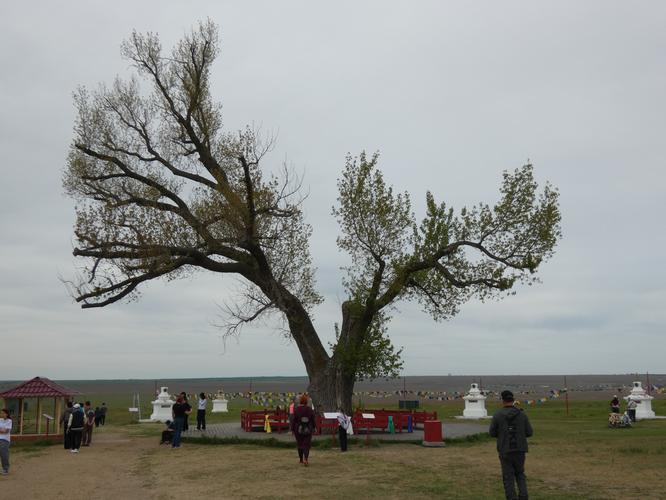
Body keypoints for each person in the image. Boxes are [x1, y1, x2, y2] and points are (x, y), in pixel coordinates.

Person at [489, 390, 533, 500]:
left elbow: (492, 433)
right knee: (520, 474)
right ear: (513, 400)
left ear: (502, 400)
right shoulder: (522, 414)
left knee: (508, 477)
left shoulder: (497, 415)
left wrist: (502, 434)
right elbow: (529, 432)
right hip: (520, 449)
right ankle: (524, 496)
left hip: (505, 449)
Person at [291, 394, 316, 466]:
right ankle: (306, 459)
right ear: (306, 402)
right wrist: (314, 427)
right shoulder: (310, 409)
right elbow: (313, 420)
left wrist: (292, 429)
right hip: (308, 428)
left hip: (298, 429)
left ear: (300, 401)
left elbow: (294, 420)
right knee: (306, 445)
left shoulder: (297, 409)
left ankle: (301, 460)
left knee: (300, 444)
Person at [0, 408, 11, 475]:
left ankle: (5, 469)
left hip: (5, 440)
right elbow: (3, 430)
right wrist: (2, 429)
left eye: (3, 413)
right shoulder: (0, 420)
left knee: (4, 454)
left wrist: (3, 430)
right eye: (1, 413)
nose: (1, 414)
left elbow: (6, 431)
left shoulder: (9, 421)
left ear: (6, 414)